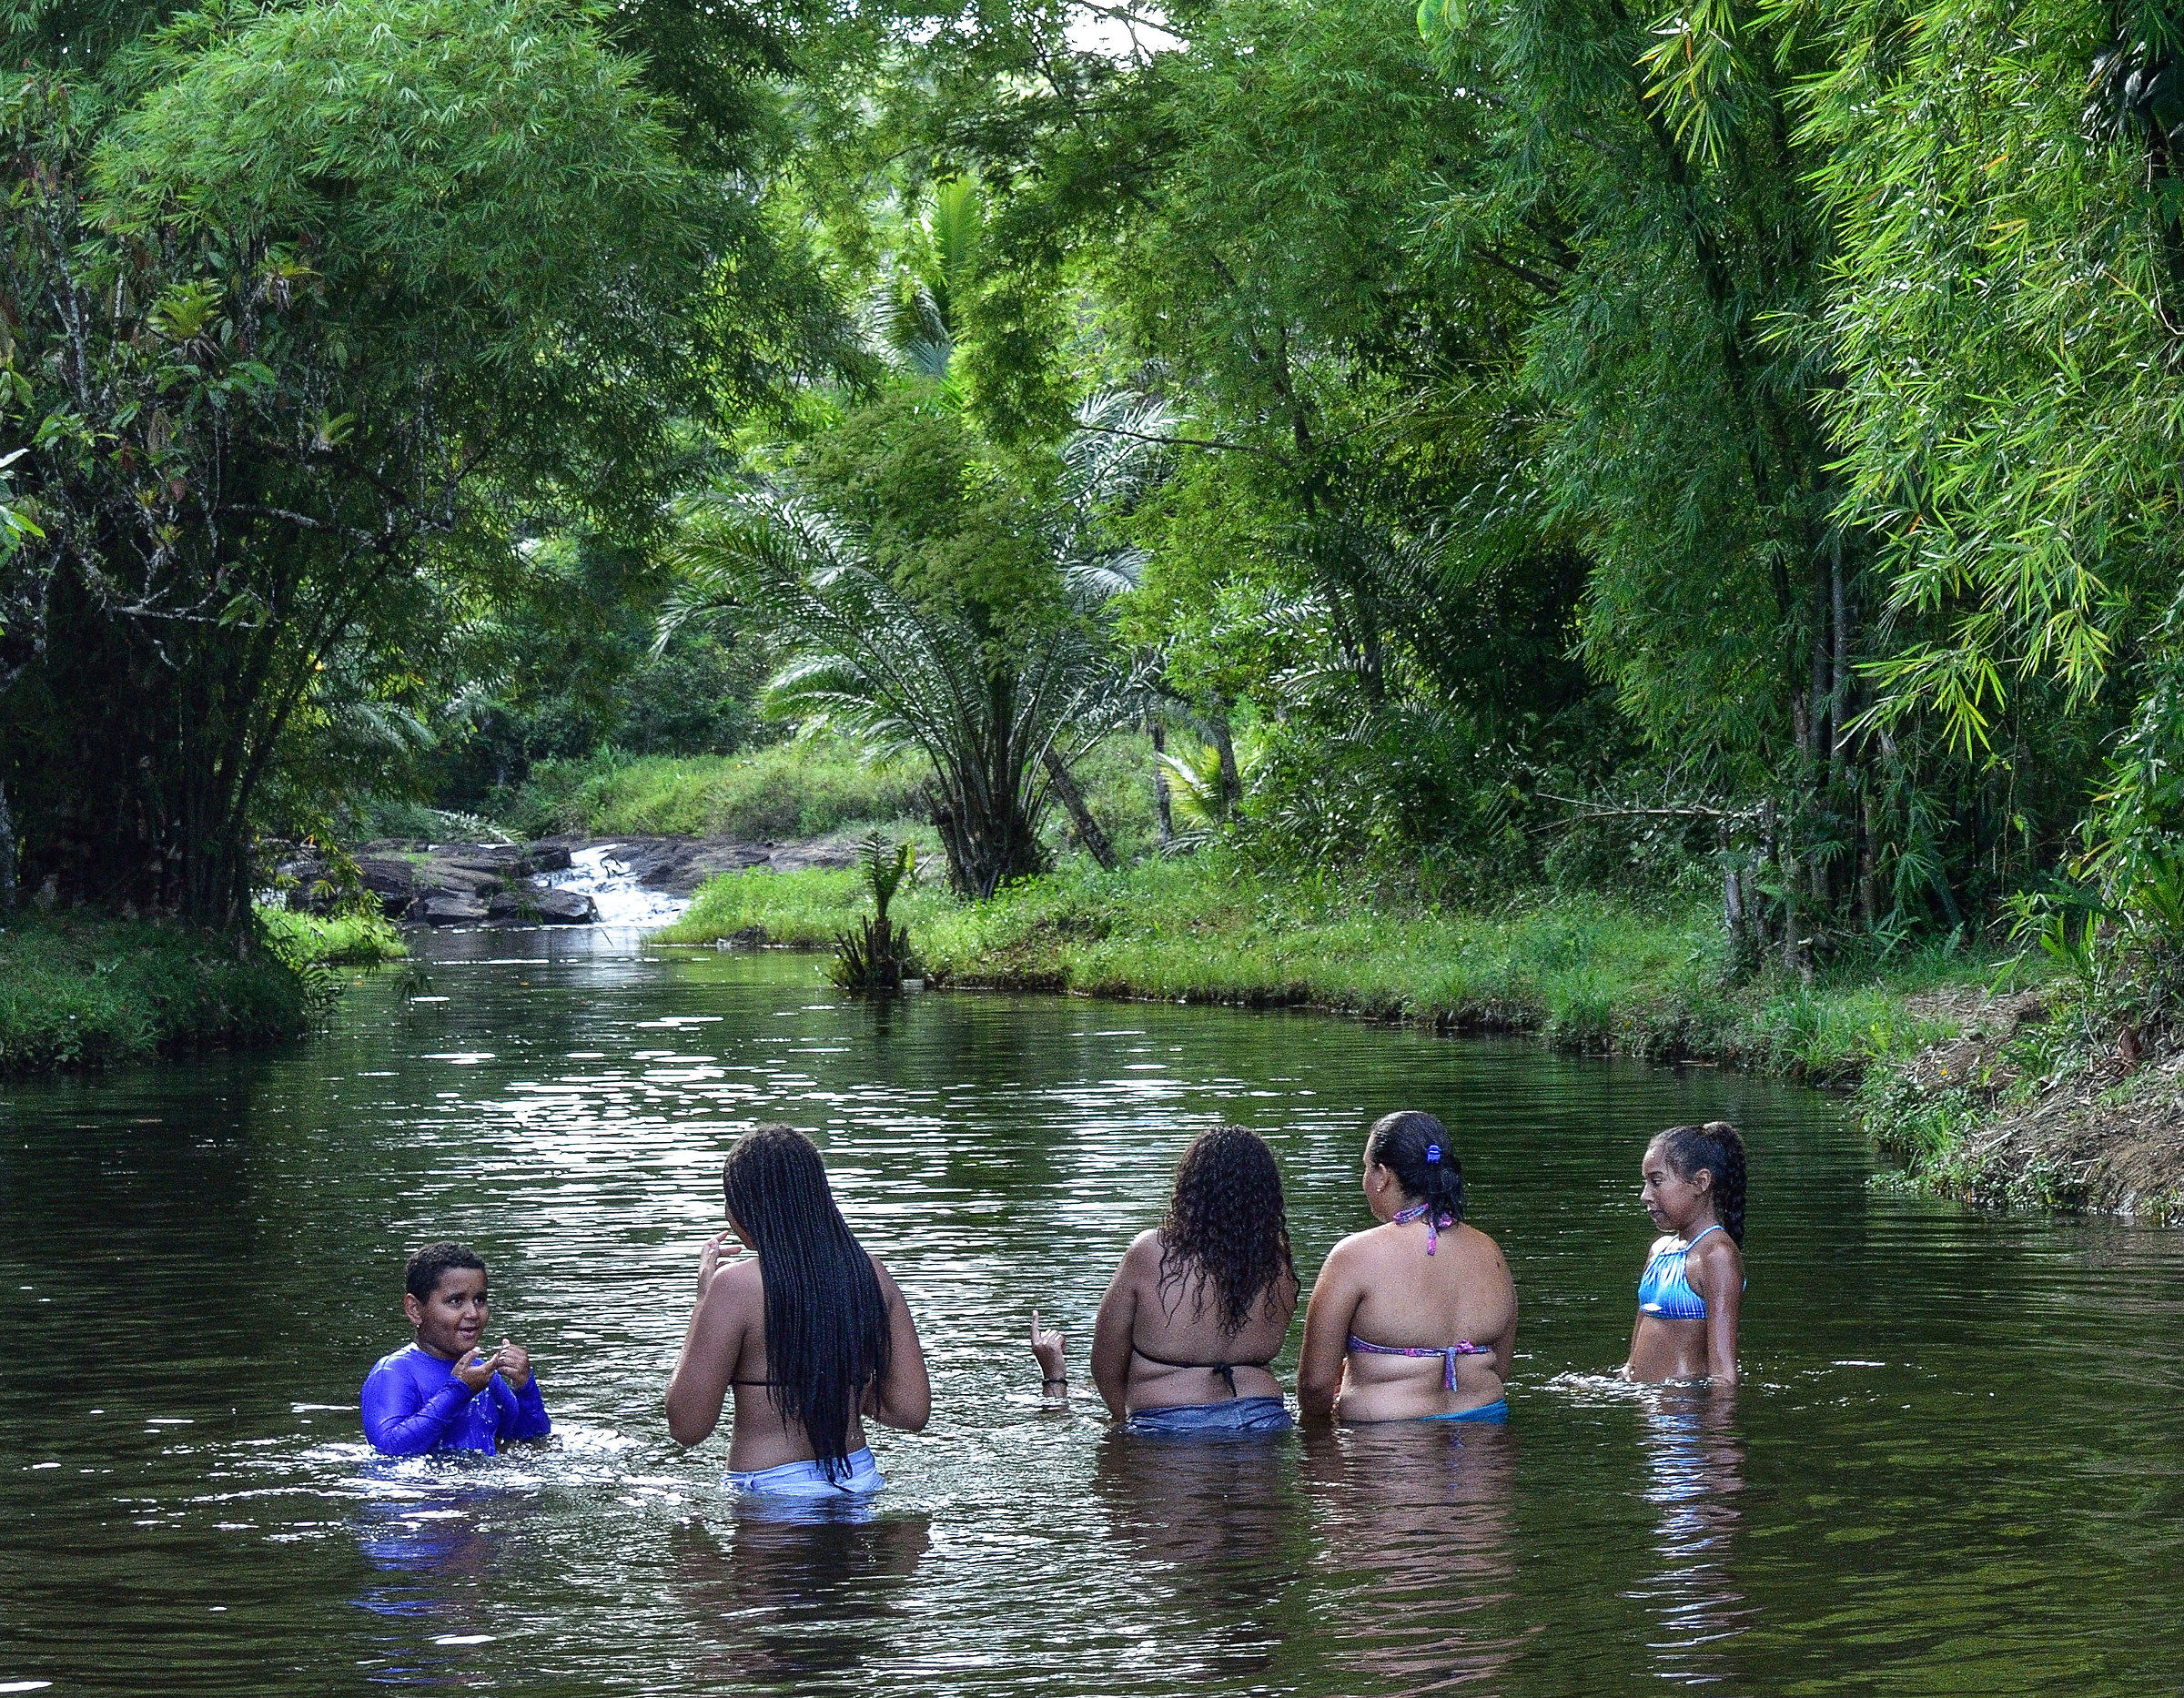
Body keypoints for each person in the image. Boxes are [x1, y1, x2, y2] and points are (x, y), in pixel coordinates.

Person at [666, 1124, 930, 1498]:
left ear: (743, 1206)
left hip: (771, 1492)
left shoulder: (734, 1286)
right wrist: (829, 1378)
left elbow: (686, 1426)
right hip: (859, 1479)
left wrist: (703, 1301)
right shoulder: (872, 1274)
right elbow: (910, 1411)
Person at [1030, 1124, 1299, 1436]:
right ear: (1265, 1195)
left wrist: (1125, 1425)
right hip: (1264, 1420)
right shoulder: (1277, 1263)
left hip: (1171, 1424)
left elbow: (1105, 1365)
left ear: (1190, 1187)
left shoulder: (1151, 1252)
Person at [1298, 1111, 1517, 1423]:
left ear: (1383, 1175)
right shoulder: (1490, 1252)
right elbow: (1501, 1368)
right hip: (1485, 1438)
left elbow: (1316, 1387)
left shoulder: (1354, 1256)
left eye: (1365, 1168)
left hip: (1388, 1450)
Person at [360, 1241, 551, 1456]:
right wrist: (459, 1392)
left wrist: (525, 1386)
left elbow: (533, 1441)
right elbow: (388, 1448)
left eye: (480, 1299)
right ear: (414, 1309)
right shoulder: (394, 1372)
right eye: (456, 1301)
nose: (473, 1313)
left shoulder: (482, 1374)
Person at [1623, 1120, 1745, 1385]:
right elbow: (1631, 1360)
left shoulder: (1717, 1256)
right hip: (1649, 1413)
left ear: (1701, 1182)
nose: (1645, 1195)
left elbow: (1724, 1375)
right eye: (1646, 1183)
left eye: (1656, 1182)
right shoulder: (1659, 1250)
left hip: (1687, 1417)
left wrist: (1718, 1426)